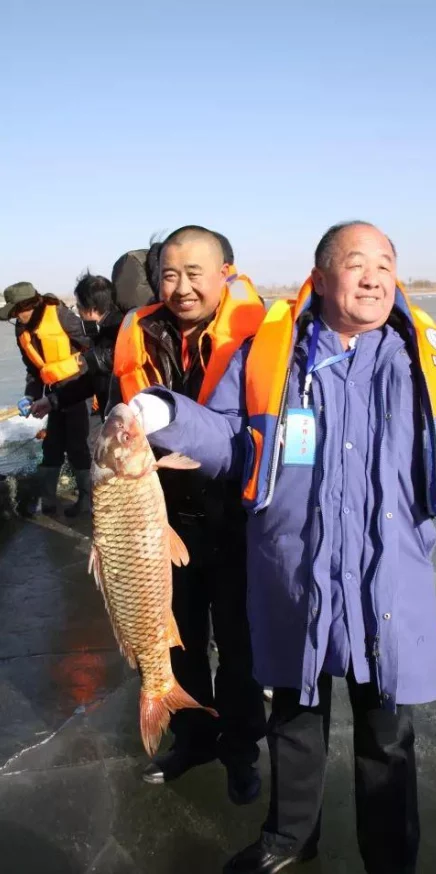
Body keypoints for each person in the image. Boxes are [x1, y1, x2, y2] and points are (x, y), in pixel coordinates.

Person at [129, 221, 436, 874]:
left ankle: (391, 856)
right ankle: (290, 838)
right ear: (321, 273)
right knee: (294, 716)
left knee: (387, 734)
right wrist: (166, 414)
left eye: (385, 263)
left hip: (385, 581)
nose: (373, 275)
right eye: (355, 262)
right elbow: (230, 439)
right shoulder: (268, 353)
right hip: (296, 576)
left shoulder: (426, 361)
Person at [109, 225, 267, 803]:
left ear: (226, 272)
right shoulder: (138, 332)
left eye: (194, 273)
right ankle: (193, 736)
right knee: (176, 639)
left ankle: (241, 748)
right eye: (169, 275)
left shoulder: (262, 336)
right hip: (160, 519)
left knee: (240, 643)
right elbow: (115, 416)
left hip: (237, 517)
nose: (180, 288)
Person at [0, 282, 92, 517]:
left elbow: (91, 346)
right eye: (12, 315)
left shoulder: (61, 315)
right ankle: (48, 500)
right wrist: (30, 395)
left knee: (77, 446)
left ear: (29, 304)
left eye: (16, 312)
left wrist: (91, 379)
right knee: (51, 446)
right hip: (52, 395)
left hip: (78, 389)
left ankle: (87, 501)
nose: (16, 318)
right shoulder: (21, 330)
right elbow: (34, 370)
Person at [30, 273, 123, 425]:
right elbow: (89, 382)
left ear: (91, 309)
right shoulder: (104, 332)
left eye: (79, 306)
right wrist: (51, 401)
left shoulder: (116, 335)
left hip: (124, 425)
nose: (78, 311)